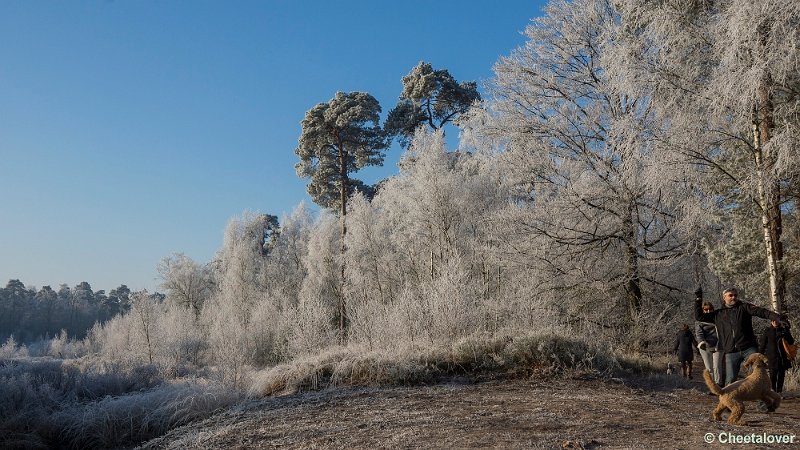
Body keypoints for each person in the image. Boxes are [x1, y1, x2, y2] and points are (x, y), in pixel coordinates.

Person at [695, 286, 786, 386]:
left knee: (757, 374)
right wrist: (698, 299)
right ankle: (727, 401)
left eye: (735, 295)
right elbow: (700, 316)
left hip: (748, 348)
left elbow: (762, 312)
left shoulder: (744, 307)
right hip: (731, 351)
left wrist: (779, 318)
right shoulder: (718, 314)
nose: (734, 297)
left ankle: (764, 400)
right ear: (724, 297)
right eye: (730, 295)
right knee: (730, 381)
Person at [759, 319, 795, 393]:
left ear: (779, 322)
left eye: (776, 321)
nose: (775, 322)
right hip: (771, 358)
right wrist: (759, 356)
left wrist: (787, 330)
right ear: (771, 322)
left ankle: (779, 393)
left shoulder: (783, 330)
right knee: (772, 376)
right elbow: (763, 344)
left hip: (782, 358)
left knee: (781, 376)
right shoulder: (767, 331)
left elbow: (791, 342)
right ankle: (772, 393)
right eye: (773, 321)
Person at [695, 302, 724, 384]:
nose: (708, 311)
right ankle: (712, 386)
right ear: (702, 310)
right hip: (705, 347)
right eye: (706, 309)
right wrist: (702, 343)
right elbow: (699, 334)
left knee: (717, 366)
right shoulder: (699, 322)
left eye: (710, 309)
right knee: (709, 368)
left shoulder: (718, 319)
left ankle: (718, 384)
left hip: (719, 345)